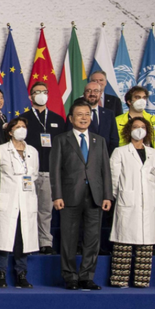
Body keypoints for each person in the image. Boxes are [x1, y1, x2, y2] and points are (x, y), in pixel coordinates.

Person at [51, 98, 113, 290]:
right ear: (71, 118)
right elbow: (55, 170)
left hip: (95, 196)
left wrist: (107, 195)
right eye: (80, 114)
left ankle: (86, 276)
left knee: (92, 239)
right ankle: (70, 276)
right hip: (69, 196)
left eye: (87, 114)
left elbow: (105, 170)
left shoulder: (99, 141)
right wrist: (57, 196)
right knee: (69, 238)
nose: (84, 118)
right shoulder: (61, 140)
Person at [108, 116, 155, 288]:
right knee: (124, 240)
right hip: (127, 201)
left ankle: (141, 281)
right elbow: (113, 179)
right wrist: (118, 196)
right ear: (129, 130)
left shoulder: (153, 154)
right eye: (136, 126)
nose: (139, 129)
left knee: (146, 242)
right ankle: (119, 280)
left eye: (143, 127)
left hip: (148, 202)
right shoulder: (120, 151)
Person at [0, 117, 39, 289]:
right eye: (17, 127)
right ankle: (0, 273)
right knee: (4, 237)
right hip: (7, 199)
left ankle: (21, 274)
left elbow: (35, 175)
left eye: (24, 127)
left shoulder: (33, 151)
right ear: (10, 131)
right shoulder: (0, 150)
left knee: (22, 238)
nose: (21, 129)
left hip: (26, 199)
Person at [22, 81, 65, 255]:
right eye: (37, 92)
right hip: (28, 172)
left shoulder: (57, 119)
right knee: (27, 208)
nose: (41, 94)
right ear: (30, 96)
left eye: (44, 91)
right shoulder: (24, 119)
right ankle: (28, 241)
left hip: (49, 171)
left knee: (45, 210)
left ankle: (45, 242)